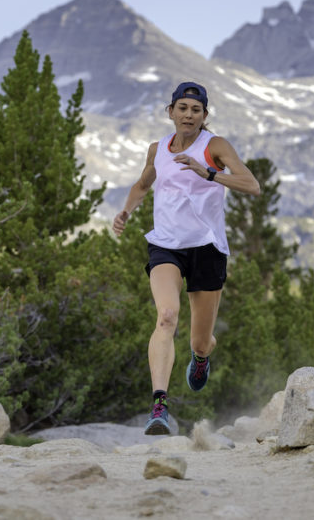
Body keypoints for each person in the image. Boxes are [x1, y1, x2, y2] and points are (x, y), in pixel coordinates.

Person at [113, 81, 261, 435]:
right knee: (166, 316)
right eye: (182, 108)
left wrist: (208, 171)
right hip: (166, 245)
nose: (189, 115)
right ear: (171, 112)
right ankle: (159, 406)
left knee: (199, 340)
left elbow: (252, 185)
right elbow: (144, 183)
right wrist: (127, 211)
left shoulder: (215, 146)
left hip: (207, 248)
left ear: (204, 116)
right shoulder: (158, 148)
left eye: (196, 110)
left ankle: (201, 357)